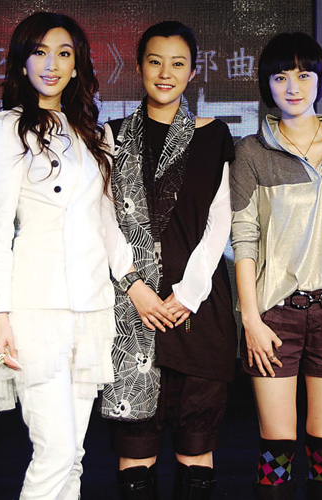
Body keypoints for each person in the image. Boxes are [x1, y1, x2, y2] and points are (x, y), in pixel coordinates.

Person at [0, 11, 140, 499]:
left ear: (77, 66)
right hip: (36, 310)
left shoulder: (93, 134)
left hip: (91, 308)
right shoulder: (9, 129)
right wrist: (0, 316)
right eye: (40, 52)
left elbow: (106, 223)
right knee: (53, 452)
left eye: (63, 54)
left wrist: (135, 282)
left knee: (73, 455)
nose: (51, 64)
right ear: (22, 63)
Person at [231, 32, 322, 500]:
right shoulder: (251, 151)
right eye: (280, 77)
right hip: (275, 317)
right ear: (266, 84)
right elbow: (243, 238)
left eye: (303, 75)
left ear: (320, 80)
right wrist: (250, 320)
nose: (292, 87)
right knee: (276, 448)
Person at [101, 21, 237, 500]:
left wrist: (188, 292)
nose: (165, 73)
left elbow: (220, 221)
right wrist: (134, 285)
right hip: (131, 311)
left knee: (196, 449)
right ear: (139, 67)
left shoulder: (215, 135)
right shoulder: (112, 135)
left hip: (197, 311)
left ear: (193, 72)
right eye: (155, 61)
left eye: (177, 63)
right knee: (135, 452)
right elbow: (103, 219)